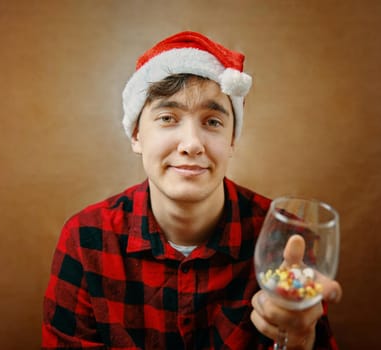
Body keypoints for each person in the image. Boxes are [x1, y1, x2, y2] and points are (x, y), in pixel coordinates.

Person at [41, 31, 342, 349]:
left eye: (212, 122)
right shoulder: (86, 240)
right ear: (136, 135)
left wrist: (298, 341)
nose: (192, 144)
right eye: (168, 118)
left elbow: (304, 337)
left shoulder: (286, 243)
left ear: (232, 141)